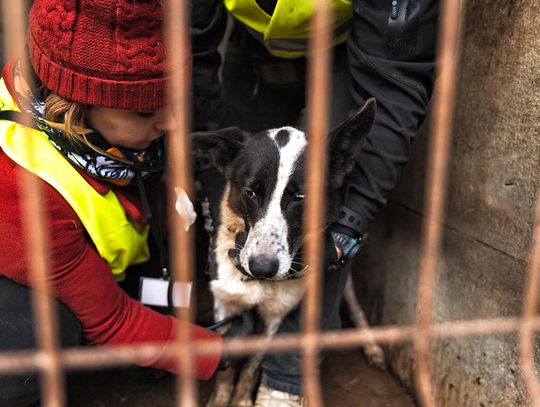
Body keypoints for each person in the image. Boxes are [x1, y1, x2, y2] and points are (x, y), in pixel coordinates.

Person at [0, 1, 254, 406]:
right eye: (145, 112)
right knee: (36, 337)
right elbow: (111, 319)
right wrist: (221, 351)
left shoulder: (58, 86)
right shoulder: (19, 189)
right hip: (18, 288)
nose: (171, 123)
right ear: (74, 113)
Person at [191, 0, 440, 405]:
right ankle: (227, 379)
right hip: (254, 39)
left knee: (327, 225)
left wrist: (346, 229)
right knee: (250, 174)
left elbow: (395, 88)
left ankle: (285, 382)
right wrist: (205, 170)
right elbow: (191, 46)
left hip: (353, 42)